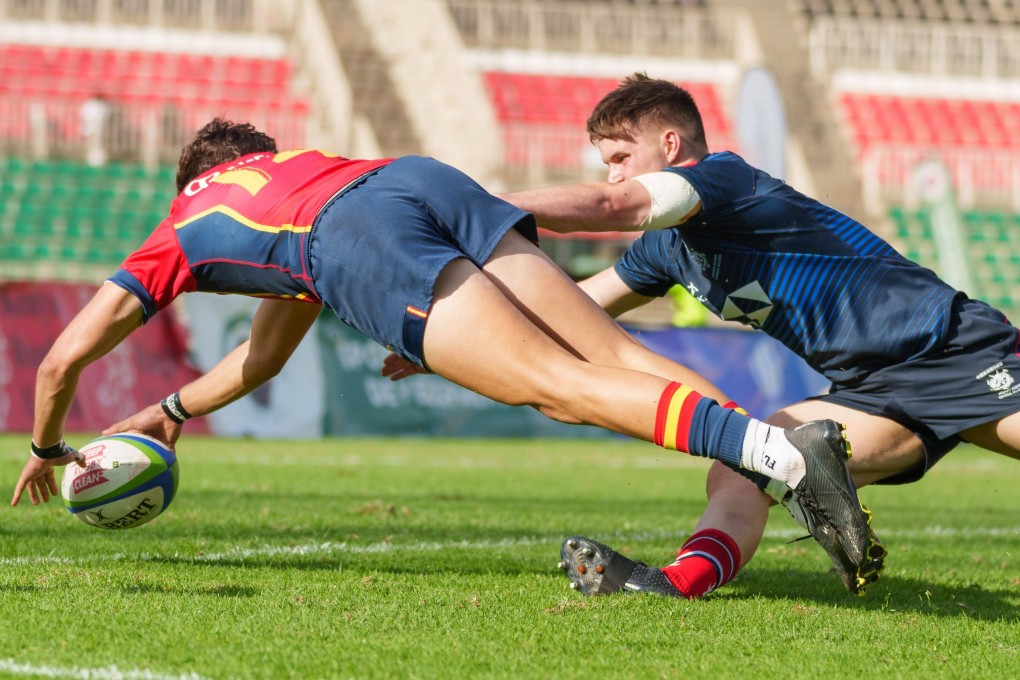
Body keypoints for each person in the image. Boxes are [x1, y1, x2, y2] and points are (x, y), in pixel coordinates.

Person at [9, 118, 876, 594]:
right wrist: (168, 413)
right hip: (418, 180)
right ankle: (776, 453)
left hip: (356, 237)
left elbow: (59, 365)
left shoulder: (184, 226)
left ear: (191, 181)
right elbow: (262, 360)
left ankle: (775, 458)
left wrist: (49, 450)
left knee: (559, 389)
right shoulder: (296, 170)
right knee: (605, 347)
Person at [491, 72, 1020, 598]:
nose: (612, 177)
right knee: (745, 468)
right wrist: (451, 337)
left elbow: (611, 207)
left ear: (669, 144)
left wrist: (479, 208)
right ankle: (675, 584)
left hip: (949, 348)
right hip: (873, 392)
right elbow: (572, 306)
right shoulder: (666, 249)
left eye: (620, 160)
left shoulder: (725, 180)